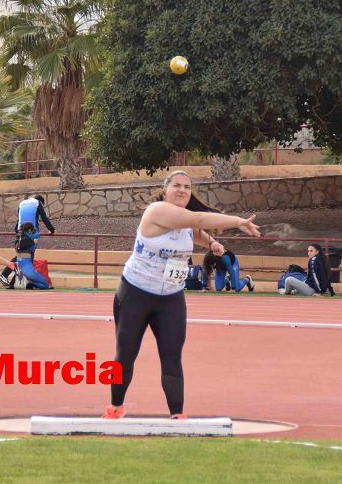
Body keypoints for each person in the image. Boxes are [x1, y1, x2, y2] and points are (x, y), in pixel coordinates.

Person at [102, 170, 260, 420]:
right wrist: (237, 221)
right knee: (126, 353)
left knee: (172, 355)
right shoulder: (157, 211)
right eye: (177, 185)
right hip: (135, 292)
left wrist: (210, 243)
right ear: (165, 189)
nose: (182, 190)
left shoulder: (183, 220)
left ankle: (178, 415)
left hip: (170, 296)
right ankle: (115, 408)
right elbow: (196, 218)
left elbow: (193, 229)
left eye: (187, 187)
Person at [0, 194, 55, 287]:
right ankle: (5, 274)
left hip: (20, 232)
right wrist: (52, 230)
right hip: (31, 232)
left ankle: (16, 282)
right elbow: (44, 218)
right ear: (41, 202)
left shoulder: (22, 203)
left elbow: (18, 221)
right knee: (26, 256)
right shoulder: (37, 203)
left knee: (23, 257)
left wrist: (18, 234)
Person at [12, 222, 51, 289]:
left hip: (18, 266)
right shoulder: (30, 237)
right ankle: (29, 282)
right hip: (27, 266)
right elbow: (38, 234)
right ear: (29, 230)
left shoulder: (18, 237)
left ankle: (26, 281)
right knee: (45, 285)